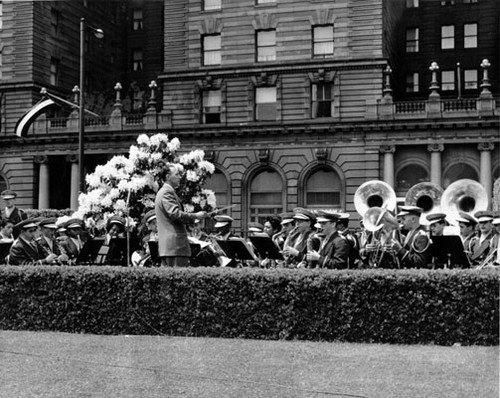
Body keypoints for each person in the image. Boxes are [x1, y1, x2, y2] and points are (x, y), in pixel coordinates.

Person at [154, 165, 207, 267]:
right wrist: (195, 216)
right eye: (177, 174)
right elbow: (175, 213)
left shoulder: (165, 192)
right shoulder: (166, 192)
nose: (180, 177)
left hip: (170, 248)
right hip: (174, 246)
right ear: (168, 176)